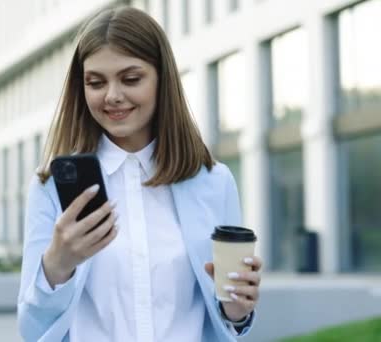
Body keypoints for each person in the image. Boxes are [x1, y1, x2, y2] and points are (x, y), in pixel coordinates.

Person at [17, 6, 262, 342]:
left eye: (131, 79)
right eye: (96, 82)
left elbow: (227, 323)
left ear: (162, 79)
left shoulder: (213, 181)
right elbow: (31, 331)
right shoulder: (49, 188)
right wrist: (57, 266)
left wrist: (236, 312)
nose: (113, 96)